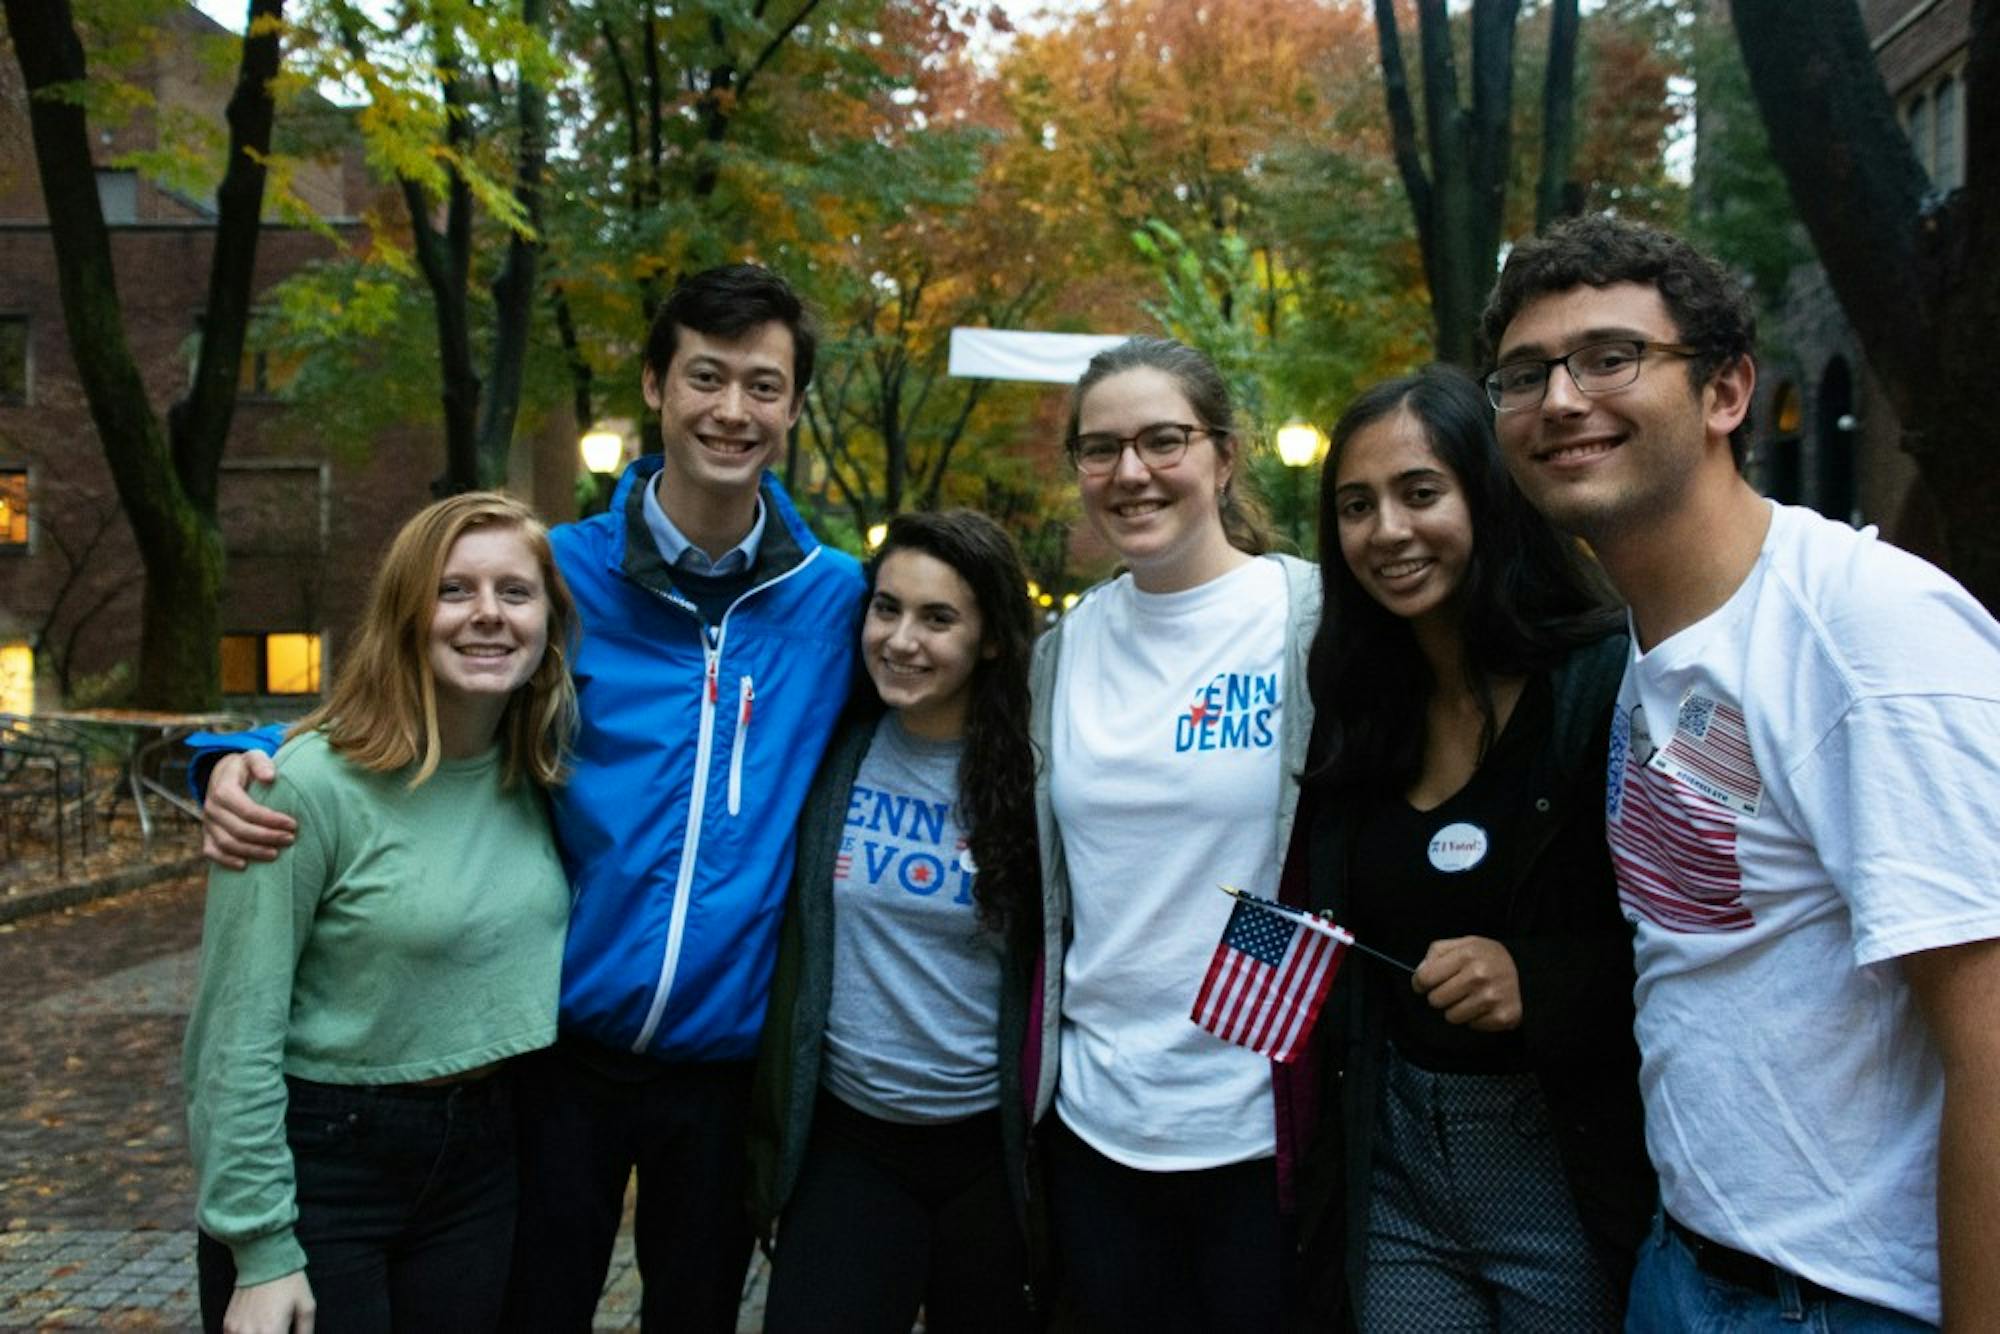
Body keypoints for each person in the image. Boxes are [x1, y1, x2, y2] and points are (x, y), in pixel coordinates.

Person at [194, 264, 866, 1331]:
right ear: (654, 384)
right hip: (552, 1054)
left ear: (791, 405)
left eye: (763, 385)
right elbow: (423, 680)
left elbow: (943, 693)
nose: (731, 410)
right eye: (705, 376)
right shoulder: (555, 574)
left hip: (726, 1063)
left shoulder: (834, 599)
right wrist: (233, 752)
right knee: (529, 1309)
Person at [1481, 215, 2000, 1331]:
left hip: (1851, 1302)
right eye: (1525, 373)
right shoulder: (1655, 643)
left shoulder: (1863, 633)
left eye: (1610, 356)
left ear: (1724, 394)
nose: (1561, 398)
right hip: (1687, 1268)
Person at [1290, 364, 1653, 1331]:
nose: (1387, 532)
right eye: (1356, 507)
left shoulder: (1608, 682)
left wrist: (1540, 978)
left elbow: (1702, 938)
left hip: (1565, 1158)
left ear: (1488, 498)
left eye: (1420, 493)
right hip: (1396, 1160)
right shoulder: (1358, 704)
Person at [184, 491, 578, 1334]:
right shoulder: (301, 787)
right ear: (406, 613)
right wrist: (261, 1247)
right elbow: (233, 1034)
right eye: (454, 590)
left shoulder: (541, 776)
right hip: (325, 1168)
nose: (487, 616)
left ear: (549, 620)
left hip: (481, 1162)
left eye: (515, 592)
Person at [1025, 336, 1317, 1332]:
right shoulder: (1061, 651)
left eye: (1162, 439)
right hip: (1096, 1115)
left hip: (1255, 1120)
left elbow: (1317, 852)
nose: (1130, 472)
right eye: (1100, 448)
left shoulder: (1304, 617)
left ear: (1223, 455)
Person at [748, 509, 1041, 1334]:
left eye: (938, 618)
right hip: (849, 1144)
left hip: (986, 1153)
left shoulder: (1036, 778)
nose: (902, 639)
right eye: (887, 608)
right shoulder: (833, 752)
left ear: (989, 639)